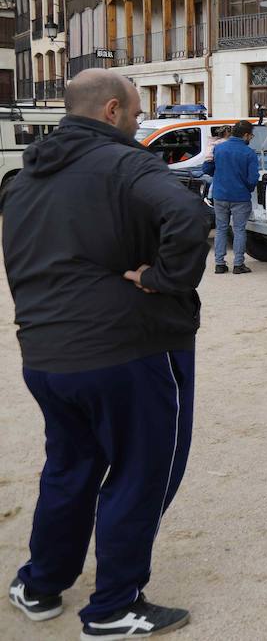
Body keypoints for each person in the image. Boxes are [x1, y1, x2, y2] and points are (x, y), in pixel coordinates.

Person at [2, 69, 208, 638]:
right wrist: (164, 278)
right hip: (126, 350)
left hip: (46, 355)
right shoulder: (125, 163)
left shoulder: (24, 179)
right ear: (112, 110)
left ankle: (40, 584)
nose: (139, 123)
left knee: (70, 467)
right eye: (138, 113)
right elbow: (189, 215)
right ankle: (114, 605)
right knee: (140, 472)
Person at [205, 120, 259, 275]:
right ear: (246, 135)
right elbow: (253, 178)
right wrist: (247, 189)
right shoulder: (249, 153)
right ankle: (238, 264)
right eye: (251, 136)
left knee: (221, 229)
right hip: (240, 197)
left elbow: (209, 168)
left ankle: (219, 264)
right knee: (239, 230)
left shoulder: (219, 148)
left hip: (220, 196)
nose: (251, 139)